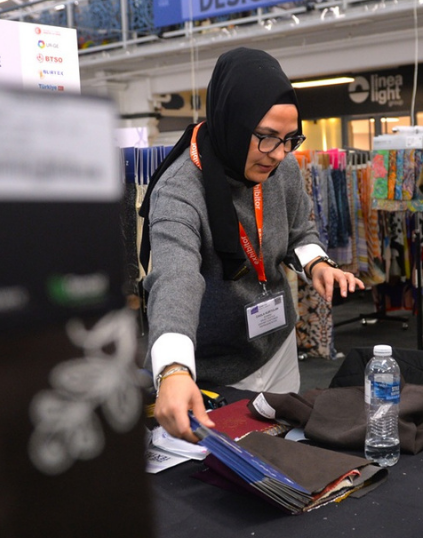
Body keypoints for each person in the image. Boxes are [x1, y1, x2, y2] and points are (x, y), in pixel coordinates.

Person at [139, 47, 363, 443]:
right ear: (234, 123)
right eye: (266, 138)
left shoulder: (283, 167)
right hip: (212, 372)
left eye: (290, 139)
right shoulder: (179, 191)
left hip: (276, 348)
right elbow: (175, 277)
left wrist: (318, 265)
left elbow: (299, 231)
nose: (278, 154)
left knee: (287, 458)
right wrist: (174, 369)